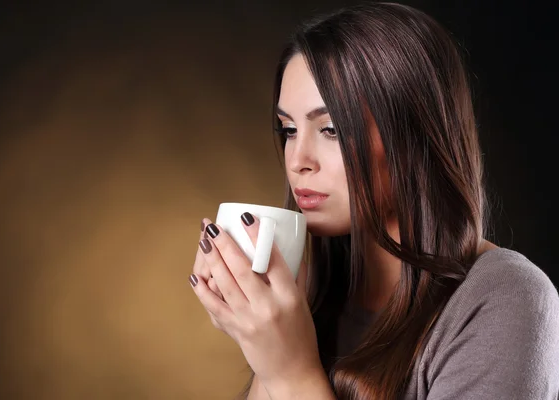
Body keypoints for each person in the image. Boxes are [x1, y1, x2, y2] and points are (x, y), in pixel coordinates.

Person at [188, 2, 559, 399]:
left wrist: (290, 374)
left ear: (414, 135)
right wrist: (259, 334)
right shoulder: (315, 290)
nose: (297, 161)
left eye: (330, 129)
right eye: (289, 130)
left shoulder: (502, 299)